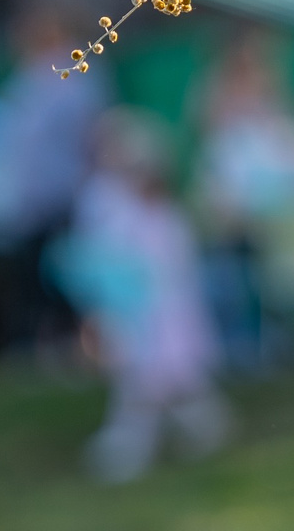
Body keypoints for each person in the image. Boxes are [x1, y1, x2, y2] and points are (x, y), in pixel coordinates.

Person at [55, 109, 229, 483]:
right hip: (134, 308)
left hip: (161, 312)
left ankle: (140, 446)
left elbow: (173, 266)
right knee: (154, 383)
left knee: (160, 383)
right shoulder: (109, 202)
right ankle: (177, 435)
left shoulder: (162, 215)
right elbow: (101, 255)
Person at [0, 6, 109, 357]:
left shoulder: (76, 75)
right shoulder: (31, 76)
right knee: (28, 277)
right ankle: (29, 346)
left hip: (62, 197)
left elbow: (87, 140)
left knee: (59, 277)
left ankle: (63, 344)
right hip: (28, 201)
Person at [192, 25, 294, 371]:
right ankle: (243, 350)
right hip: (233, 214)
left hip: (275, 211)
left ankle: (284, 347)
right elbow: (219, 158)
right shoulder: (216, 96)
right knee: (237, 282)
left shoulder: (275, 98)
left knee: (282, 281)